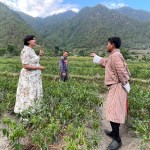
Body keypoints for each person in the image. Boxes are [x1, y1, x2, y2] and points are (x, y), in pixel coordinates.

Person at [90, 37, 131, 150]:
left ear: (112, 44)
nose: (106, 46)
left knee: (114, 113)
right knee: (113, 112)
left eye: (107, 44)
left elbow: (122, 73)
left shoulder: (116, 56)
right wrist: (96, 57)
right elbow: (106, 62)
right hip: (115, 87)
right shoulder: (113, 56)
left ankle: (117, 139)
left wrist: (124, 85)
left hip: (117, 87)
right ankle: (114, 132)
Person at [14, 35, 45, 114]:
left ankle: (33, 109)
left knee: (33, 91)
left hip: (34, 77)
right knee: (28, 91)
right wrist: (38, 68)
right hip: (28, 76)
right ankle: (26, 111)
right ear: (28, 41)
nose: (35, 40)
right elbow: (25, 65)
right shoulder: (25, 51)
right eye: (33, 39)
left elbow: (33, 61)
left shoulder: (31, 50)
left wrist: (39, 55)